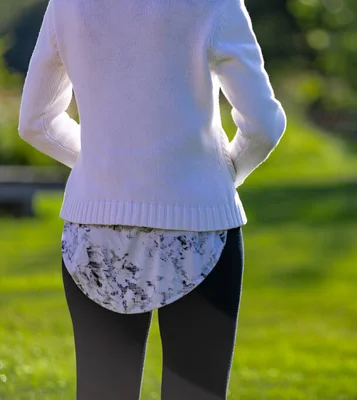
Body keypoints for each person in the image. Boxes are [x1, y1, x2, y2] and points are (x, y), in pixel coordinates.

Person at [18, 0, 286, 399]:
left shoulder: (67, 4)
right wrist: (226, 174)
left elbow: (36, 122)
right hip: (198, 224)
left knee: (102, 392)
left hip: (93, 230)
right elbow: (264, 125)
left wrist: (107, 167)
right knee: (195, 392)